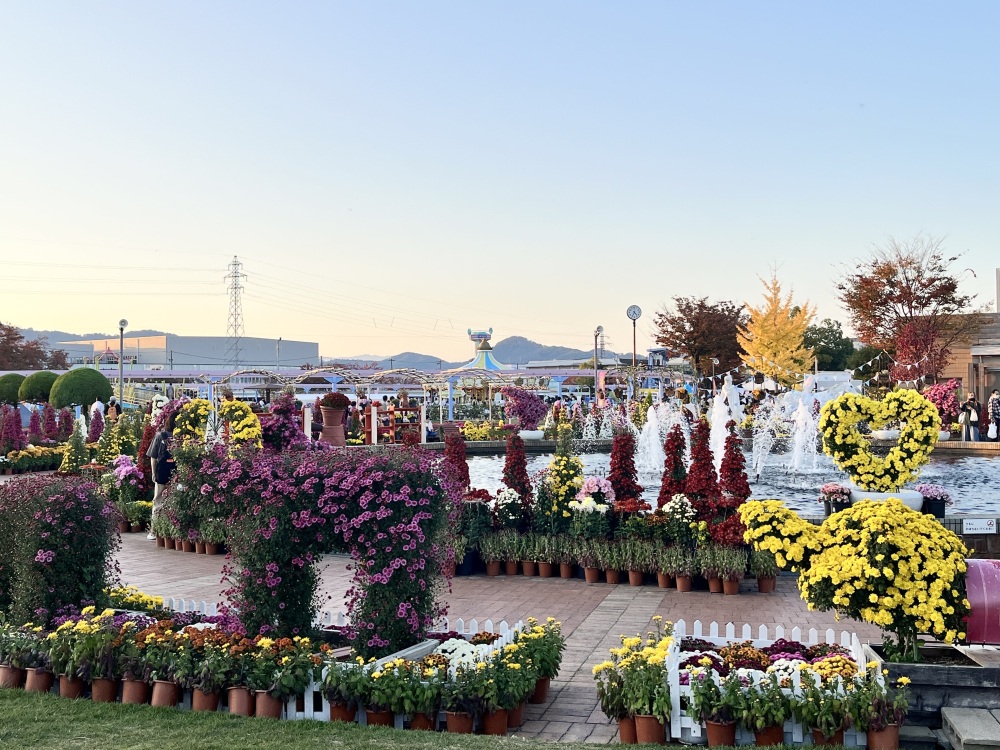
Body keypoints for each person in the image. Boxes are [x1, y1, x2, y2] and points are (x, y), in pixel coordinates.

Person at [145, 412, 177, 540]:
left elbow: (153, 457)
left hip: (162, 472)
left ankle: (154, 531)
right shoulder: (182, 437)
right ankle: (172, 531)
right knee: (175, 501)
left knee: (158, 501)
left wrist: (154, 473)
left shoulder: (160, 436)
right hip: (177, 474)